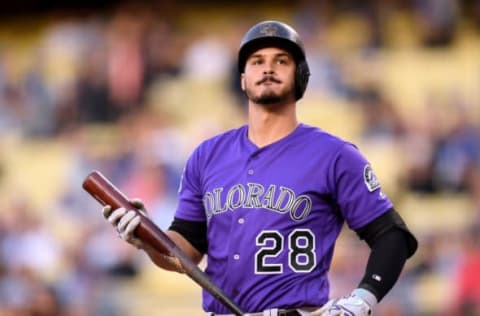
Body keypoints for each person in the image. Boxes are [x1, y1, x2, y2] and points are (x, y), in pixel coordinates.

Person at [103, 20, 418, 316]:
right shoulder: (206, 155)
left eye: (281, 60)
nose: (268, 67)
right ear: (242, 78)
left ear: (300, 76)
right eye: (256, 61)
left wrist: (362, 299)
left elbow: (392, 236)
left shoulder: (335, 155)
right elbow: (184, 254)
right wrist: (146, 238)